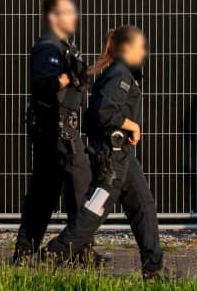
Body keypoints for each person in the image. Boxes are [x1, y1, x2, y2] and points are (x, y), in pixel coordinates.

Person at [44, 25, 164, 280]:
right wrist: (132, 125)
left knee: (144, 207)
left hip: (122, 158)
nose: (144, 52)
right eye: (140, 47)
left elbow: (91, 117)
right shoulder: (119, 74)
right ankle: (53, 254)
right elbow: (102, 113)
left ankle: (153, 270)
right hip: (113, 158)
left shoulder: (119, 73)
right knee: (93, 214)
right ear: (127, 49)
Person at [13, 0, 104, 265]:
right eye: (67, 13)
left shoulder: (64, 46)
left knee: (45, 189)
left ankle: (25, 252)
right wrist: (66, 77)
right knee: (81, 182)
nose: (73, 17)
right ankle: (79, 251)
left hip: (56, 127)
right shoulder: (48, 47)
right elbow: (44, 84)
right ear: (53, 18)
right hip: (56, 126)